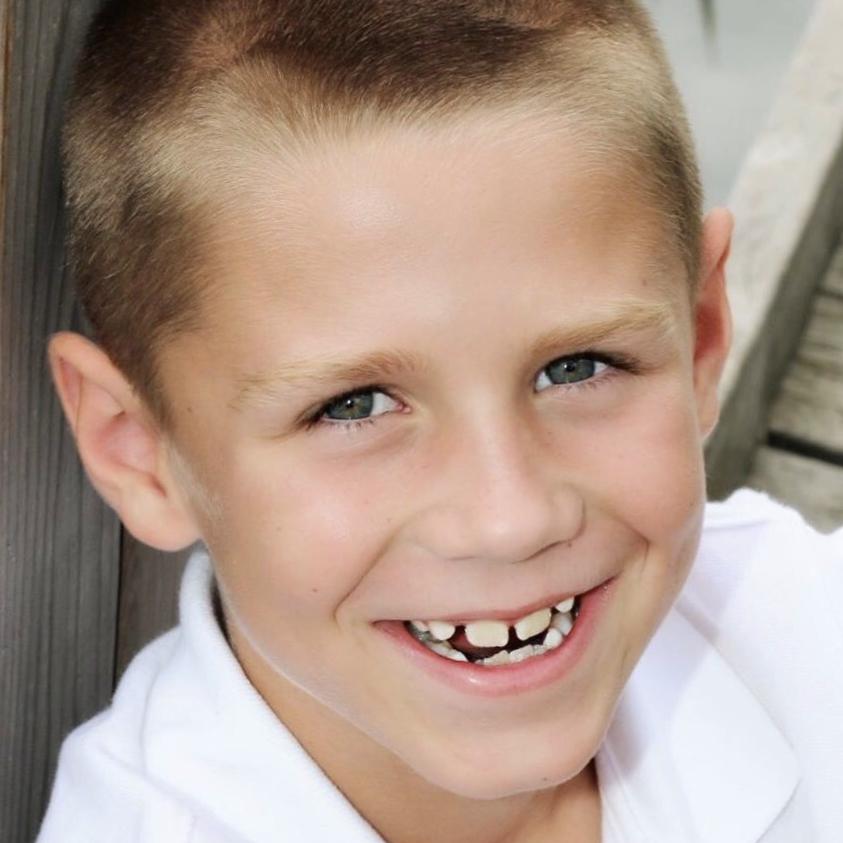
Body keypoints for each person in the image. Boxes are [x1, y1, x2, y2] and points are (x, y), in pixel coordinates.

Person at [36, 1, 843, 841]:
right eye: (354, 406)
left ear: (700, 339)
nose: (509, 520)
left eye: (577, 367)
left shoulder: (807, 628)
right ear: (139, 451)